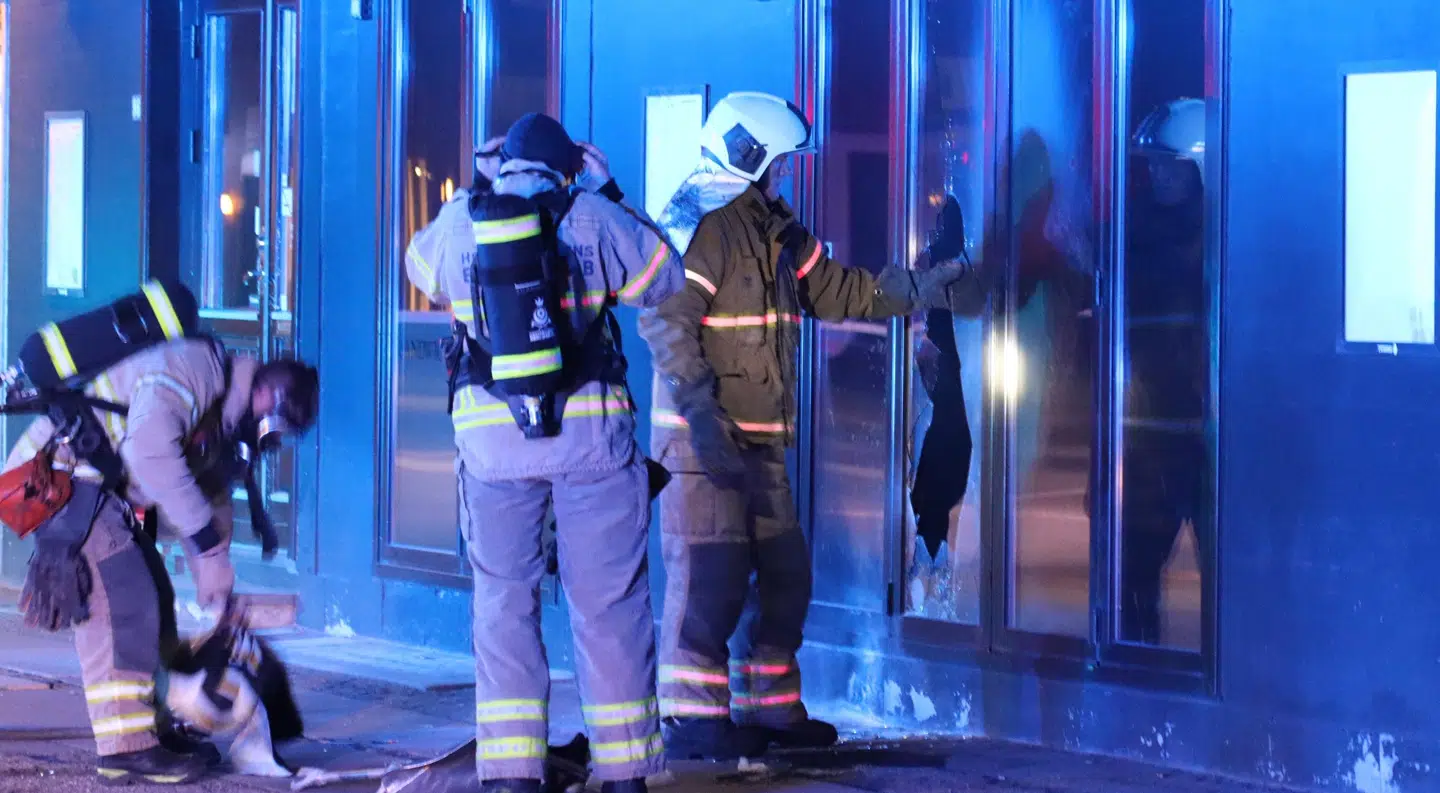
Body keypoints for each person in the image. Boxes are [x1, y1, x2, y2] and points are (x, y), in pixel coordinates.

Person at [638, 91, 980, 760]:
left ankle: (769, 708)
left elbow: (838, 289)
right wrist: (700, 412)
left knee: (784, 573)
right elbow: (664, 318)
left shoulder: (775, 226)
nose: (787, 173)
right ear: (749, 154)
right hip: (701, 437)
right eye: (781, 161)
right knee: (709, 575)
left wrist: (927, 285)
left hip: (758, 438)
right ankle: (692, 716)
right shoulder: (696, 221)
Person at [404, 112, 683, 793]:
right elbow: (665, 279)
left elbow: (419, 266)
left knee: (503, 602)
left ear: (506, 164)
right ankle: (622, 773)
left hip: (493, 446)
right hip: (591, 439)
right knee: (609, 602)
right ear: (568, 165)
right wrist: (609, 191)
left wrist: (478, 184)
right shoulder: (590, 214)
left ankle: (512, 774)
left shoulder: (463, 218)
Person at [1, 336, 319, 786]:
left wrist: (214, 574)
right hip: (59, 477)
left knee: (155, 593)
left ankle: (154, 730)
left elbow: (201, 498)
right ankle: (125, 749)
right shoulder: (195, 369)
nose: (271, 438)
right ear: (266, 395)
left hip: (96, 491)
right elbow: (149, 453)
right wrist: (206, 550)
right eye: (277, 426)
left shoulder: (221, 411)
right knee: (124, 599)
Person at [1118, 97, 1211, 645]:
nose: (1155, 173)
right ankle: (1139, 677)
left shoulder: (1221, 241)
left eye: (1166, 163)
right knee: (1134, 572)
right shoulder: (1139, 235)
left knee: (1226, 579)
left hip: (1206, 435)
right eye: (1150, 163)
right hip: (1152, 430)